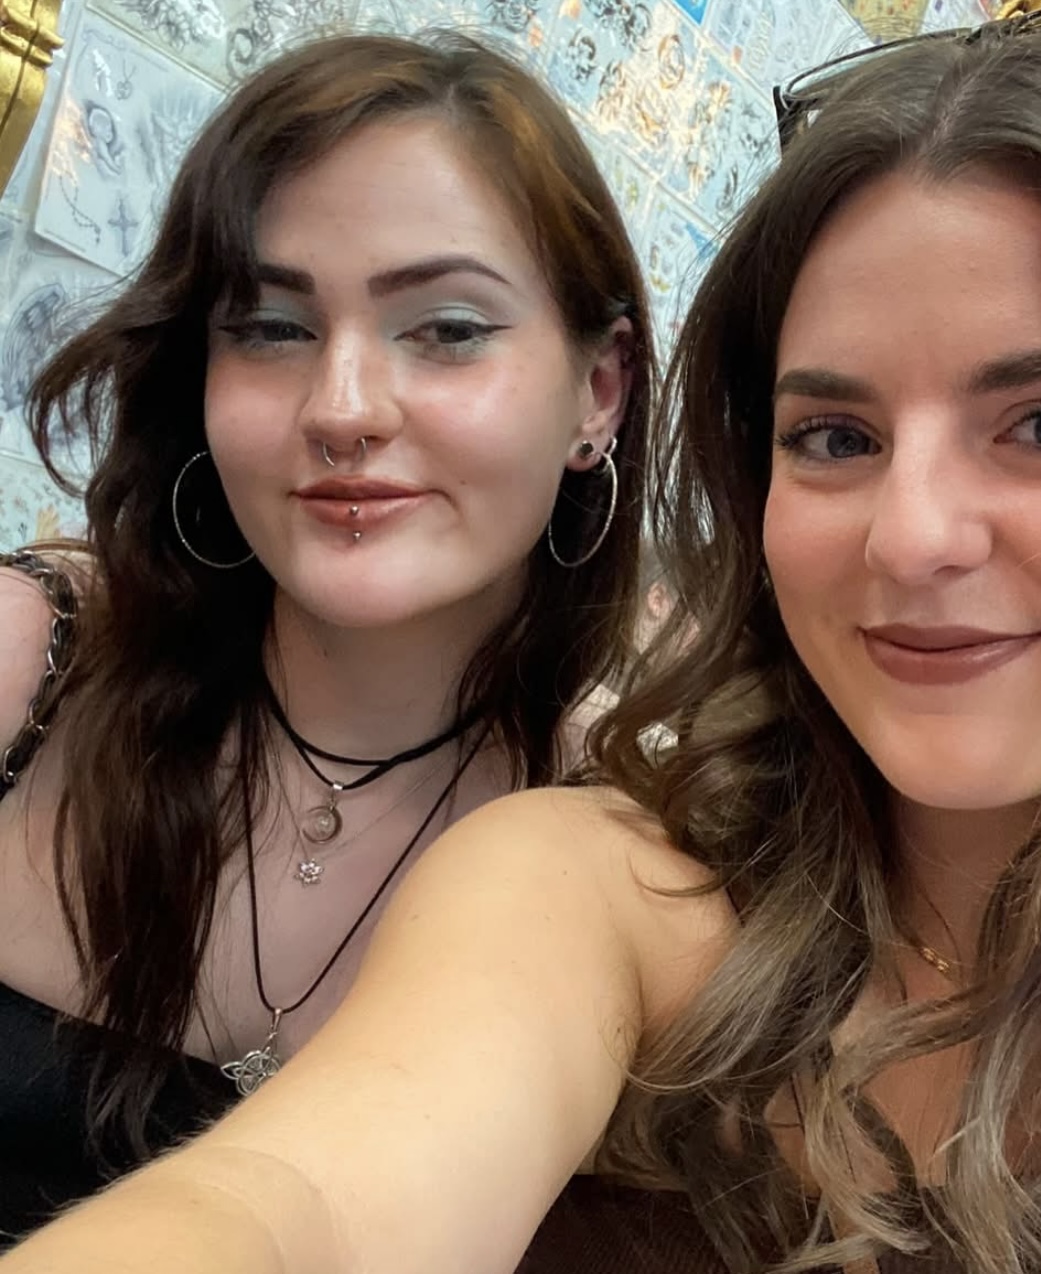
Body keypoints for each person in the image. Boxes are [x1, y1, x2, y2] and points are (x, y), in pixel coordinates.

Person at [7, 18, 1041, 1274]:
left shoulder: (592, 768)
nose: (912, 537)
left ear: (603, 388)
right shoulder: (611, 878)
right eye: (835, 437)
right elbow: (306, 1202)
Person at [0, 29, 652, 1245]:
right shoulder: (31, 657)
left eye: (447, 329)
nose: (342, 409)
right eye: (270, 326)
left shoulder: (624, 840)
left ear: (598, 390)